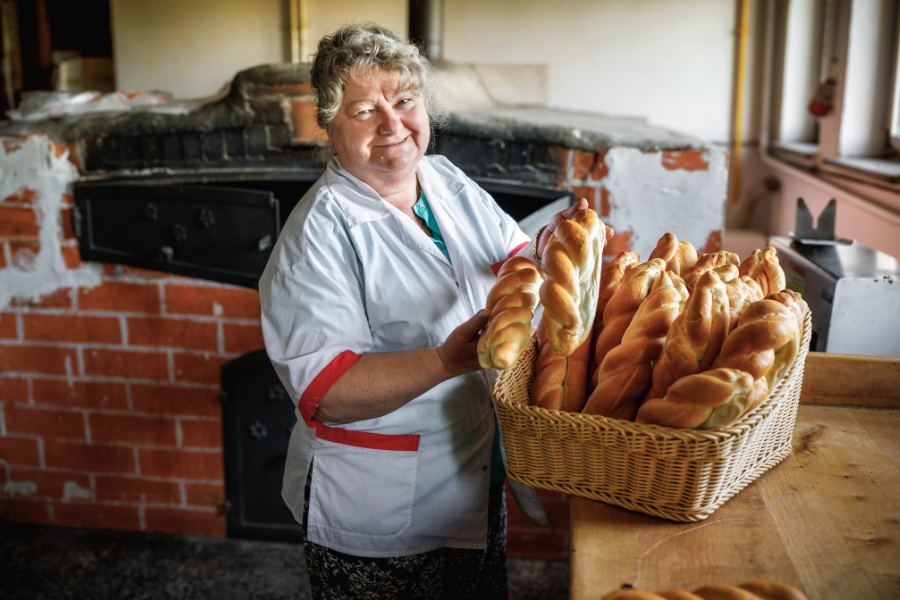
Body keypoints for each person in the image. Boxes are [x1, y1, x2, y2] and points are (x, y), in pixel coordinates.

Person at [259, 22, 612, 599]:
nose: (392, 125)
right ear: (328, 123)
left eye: (404, 100)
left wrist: (558, 243)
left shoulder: (441, 178)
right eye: (363, 110)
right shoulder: (317, 235)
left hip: (475, 478)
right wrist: (448, 361)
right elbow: (326, 392)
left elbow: (514, 257)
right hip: (381, 508)